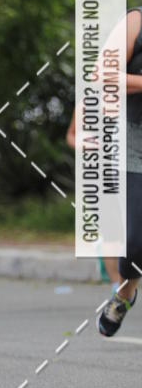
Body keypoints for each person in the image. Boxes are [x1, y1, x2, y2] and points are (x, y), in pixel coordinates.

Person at [98, 7, 142, 336]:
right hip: (136, 149)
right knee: (136, 242)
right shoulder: (136, 21)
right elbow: (105, 76)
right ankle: (126, 291)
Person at [65, 109, 120, 291]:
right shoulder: (86, 104)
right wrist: (82, 145)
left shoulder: (130, 98)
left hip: (129, 171)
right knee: (111, 231)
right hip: (99, 175)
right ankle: (117, 286)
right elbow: (71, 135)